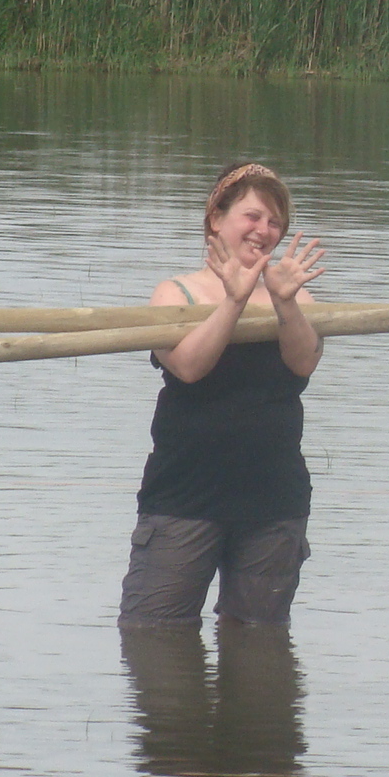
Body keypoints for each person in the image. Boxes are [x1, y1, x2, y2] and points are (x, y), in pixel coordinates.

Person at [119, 161, 326, 628]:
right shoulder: (177, 293)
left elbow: (304, 362)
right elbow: (189, 367)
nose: (264, 230)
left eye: (275, 222)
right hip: (184, 495)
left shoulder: (291, 295)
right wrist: (233, 301)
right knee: (153, 634)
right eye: (252, 216)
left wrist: (284, 301)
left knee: (259, 644)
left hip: (273, 498)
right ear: (217, 218)